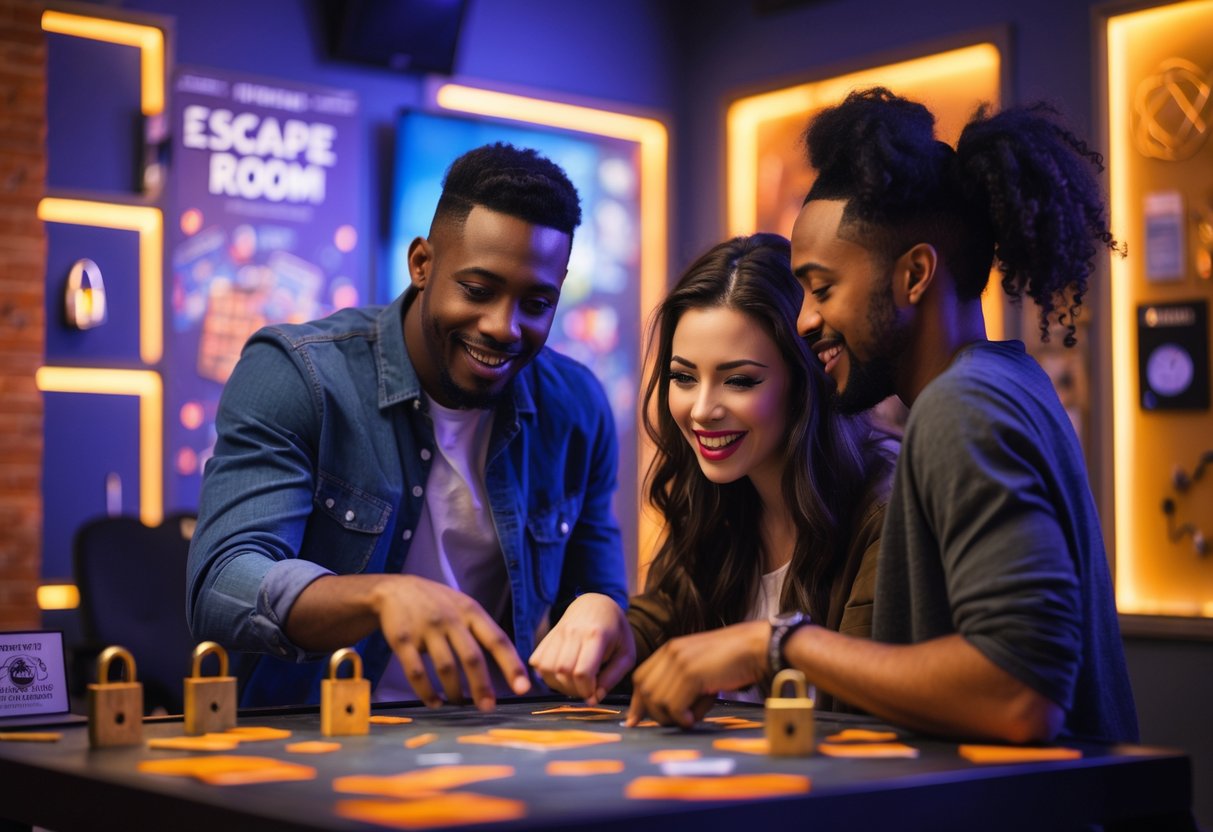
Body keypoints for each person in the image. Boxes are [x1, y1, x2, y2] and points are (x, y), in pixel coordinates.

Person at [625, 88, 1139, 745]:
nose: (805, 320)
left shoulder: (961, 406)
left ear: (914, 275)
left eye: (822, 288)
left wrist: (774, 644)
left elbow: (1021, 694)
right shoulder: (1008, 380)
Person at [187, 142, 631, 711]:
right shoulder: (299, 374)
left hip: (504, 736)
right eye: (478, 290)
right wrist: (379, 597)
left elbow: (597, 591)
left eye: (536, 303)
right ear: (422, 264)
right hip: (320, 734)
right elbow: (222, 584)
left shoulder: (577, 406)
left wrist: (604, 613)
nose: (504, 327)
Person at [531, 233, 897, 713]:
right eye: (684, 377)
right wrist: (602, 614)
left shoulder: (882, 508)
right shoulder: (720, 501)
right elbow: (660, 633)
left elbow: (868, 713)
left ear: (805, 382)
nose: (702, 410)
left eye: (739, 381)